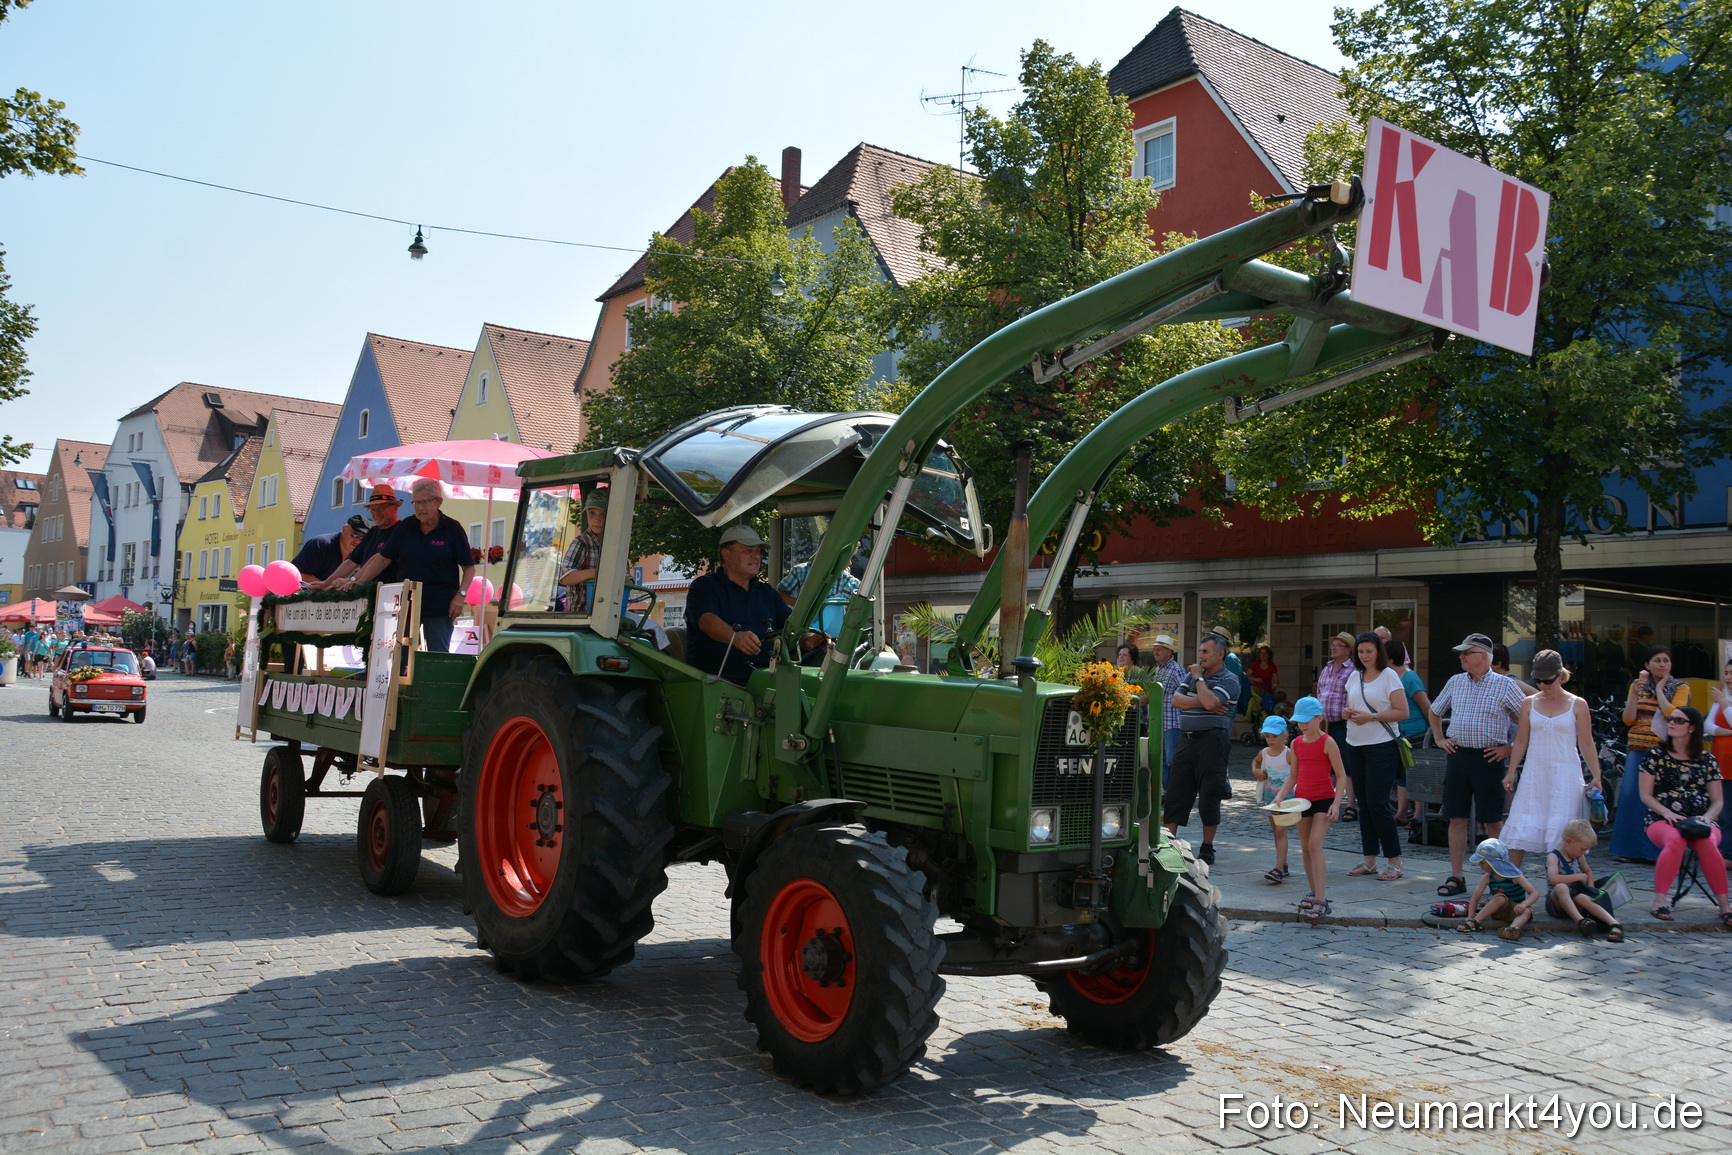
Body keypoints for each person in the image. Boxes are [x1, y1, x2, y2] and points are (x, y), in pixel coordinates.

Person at [1428, 632, 1527, 897]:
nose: (1461, 656)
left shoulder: (1504, 685)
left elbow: (1525, 721)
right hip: (1459, 755)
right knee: (1456, 817)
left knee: (1493, 820)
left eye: (1466, 652)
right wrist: (1439, 738)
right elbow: (1435, 709)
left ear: (1482, 656)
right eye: (1461, 652)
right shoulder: (1456, 681)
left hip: (1488, 758)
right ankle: (1456, 876)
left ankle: (1502, 878)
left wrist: (1510, 747)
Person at [345, 478, 475, 652]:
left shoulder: (452, 529)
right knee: (399, 655)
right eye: (416, 502)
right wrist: (358, 580)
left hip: (440, 604)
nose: (419, 508)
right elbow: (383, 559)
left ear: (438, 502)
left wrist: (461, 596)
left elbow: (469, 567)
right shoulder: (406, 526)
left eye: (425, 502)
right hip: (406, 603)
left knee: (437, 653)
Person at [1501, 650, 1601, 867]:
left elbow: (1586, 742)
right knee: (1520, 825)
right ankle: (1508, 888)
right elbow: (1521, 741)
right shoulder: (1529, 702)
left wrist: (1596, 775)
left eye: (1547, 681)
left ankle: (1566, 887)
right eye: (1538, 681)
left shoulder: (1578, 704)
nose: (1542, 685)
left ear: (1560, 676)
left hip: (1565, 774)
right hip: (1535, 773)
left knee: (1566, 831)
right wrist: (1511, 771)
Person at [1639, 705, 1732, 925]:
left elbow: (1718, 800)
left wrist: (1708, 818)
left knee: (1708, 843)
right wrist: (1666, 812)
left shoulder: (1706, 759)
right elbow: (1645, 795)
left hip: (1700, 820)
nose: (1672, 723)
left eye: (1679, 721)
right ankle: (1659, 901)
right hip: (1662, 818)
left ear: (1692, 728)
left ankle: (1725, 906)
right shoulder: (1656, 754)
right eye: (1671, 719)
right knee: (1675, 839)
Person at [1160, 633, 1240, 866]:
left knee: (1209, 794)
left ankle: (1207, 847)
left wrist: (1199, 683)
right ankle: (1169, 844)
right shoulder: (1193, 675)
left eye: (1206, 652)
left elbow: (1213, 703)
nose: (1201, 656)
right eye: (1200, 651)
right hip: (1185, 741)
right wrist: (1202, 700)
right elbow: (1176, 700)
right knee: (1175, 793)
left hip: (1212, 742)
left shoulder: (1229, 679)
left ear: (1220, 654)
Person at [1609, 645, 1689, 861]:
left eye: (1666, 660)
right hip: (1637, 747)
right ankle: (1627, 850)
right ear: (1647, 665)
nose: (1662, 664)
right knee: (1631, 797)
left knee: (1660, 799)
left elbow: (1674, 714)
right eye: (1657, 660)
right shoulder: (1638, 685)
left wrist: (1661, 691)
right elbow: (1628, 719)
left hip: (1664, 750)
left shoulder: (1680, 687)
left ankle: (1656, 852)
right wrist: (1634, 694)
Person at [1269, 696, 1345, 921]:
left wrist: (1337, 804)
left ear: (1319, 718)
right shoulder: (1296, 744)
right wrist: (1280, 798)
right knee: (1304, 847)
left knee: (1315, 845)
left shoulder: (1328, 742)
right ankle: (1313, 892)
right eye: (1299, 721)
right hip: (1303, 801)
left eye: (1307, 720)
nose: (1302, 725)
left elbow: (1340, 776)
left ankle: (1321, 899)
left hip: (1324, 800)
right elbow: (1293, 776)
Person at [1340, 632, 1409, 881]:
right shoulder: (1354, 675)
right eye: (1360, 652)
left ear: (1378, 651)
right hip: (1355, 744)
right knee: (1364, 804)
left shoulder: (1389, 676)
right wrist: (1348, 712)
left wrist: (1372, 716)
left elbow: (1403, 712)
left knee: (1378, 803)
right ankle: (1369, 859)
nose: (1365, 656)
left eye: (1369, 651)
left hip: (1382, 746)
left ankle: (1395, 861)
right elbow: (1352, 705)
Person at [315, 484, 404, 590]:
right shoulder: (372, 532)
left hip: (392, 594)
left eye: (381, 508)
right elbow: (352, 562)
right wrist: (326, 583)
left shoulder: (401, 530)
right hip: (367, 594)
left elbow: (380, 558)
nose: (376, 513)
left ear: (395, 508)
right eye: (372, 509)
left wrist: (353, 580)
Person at [1546, 819, 1622, 940]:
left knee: (1583, 898)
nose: (1584, 853)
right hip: (1556, 902)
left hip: (1575, 899)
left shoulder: (1579, 856)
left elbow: (1588, 871)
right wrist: (1577, 876)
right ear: (1568, 842)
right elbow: (1554, 879)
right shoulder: (1554, 857)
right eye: (1582, 849)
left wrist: (1591, 888)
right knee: (1561, 887)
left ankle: (1614, 924)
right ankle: (1581, 922)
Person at [1457, 837, 1538, 941]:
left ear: (1493, 863)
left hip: (1516, 910)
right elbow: (1476, 897)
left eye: (1482, 863)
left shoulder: (1515, 876)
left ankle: (1512, 929)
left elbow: (1534, 893)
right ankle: (1475, 922)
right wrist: (1471, 916)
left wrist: (1523, 904)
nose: (1480, 865)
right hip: (1498, 910)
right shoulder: (1487, 877)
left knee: (1527, 911)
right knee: (1500, 898)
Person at [1388, 640, 1433, 825]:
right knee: (1403, 775)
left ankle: (1418, 816)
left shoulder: (1410, 677)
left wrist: (1433, 733)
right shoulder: (1390, 677)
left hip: (1415, 735)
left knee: (1417, 775)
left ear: (1389, 658)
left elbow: (1426, 706)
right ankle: (1401, 813)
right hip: (1399, 735)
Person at [1315, 632, 1357, 817]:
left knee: (1347, 766)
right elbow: (1319, 692)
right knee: (1326, 765)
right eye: (1332, 644)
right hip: (1324, 725)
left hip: (1343, 724)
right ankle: (1328, 803)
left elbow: (1354, 698)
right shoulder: (1327, 668)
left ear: (1348, 649)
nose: (1333, 647)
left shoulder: (1353, 670)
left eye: (1338, 645)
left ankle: (1351, 806)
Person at [1251, 713, 1293, 883]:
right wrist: (1255, 771)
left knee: (1281, 831)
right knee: (1277, 832)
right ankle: (1283, 864)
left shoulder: (1289, 754)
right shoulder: (1265, 752)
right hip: (1270, 799)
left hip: (1286, 800)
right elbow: (1255, 761)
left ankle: (1278, 868)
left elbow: (1297, 772)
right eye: (1267, 736)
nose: (1270, 739)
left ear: (1284, 735)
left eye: (1275, 736)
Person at [557, 488, 609, 612]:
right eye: (592, 513)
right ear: (586, 514)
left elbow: (629, 580)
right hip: (582, 613)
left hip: (610, 611)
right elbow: (565, 577)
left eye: (603, 514)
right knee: (654, 628)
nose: (597, 519)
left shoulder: (615, 545)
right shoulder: (582, 542)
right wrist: (596, 573)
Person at [1144, 634, 1185, 786]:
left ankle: (1174, 791)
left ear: (1169, 652)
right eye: (1155, 649)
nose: (1156, 652)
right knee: (1159, 759)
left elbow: (1186, 692)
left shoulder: (1176, 669)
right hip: (1159, 722)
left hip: (1172, 723)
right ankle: (1165, 791)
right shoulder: (1158, 669)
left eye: (1159, 649)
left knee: (1171, 759)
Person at [292, 514, 369, 583]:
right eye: (355, 535)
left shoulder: (362, 554)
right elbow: (301, 574)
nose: (358, 541)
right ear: (344, 529)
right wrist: (327, 590)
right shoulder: (321, 544)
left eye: (363, 538)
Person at [1248, 645, 1278, 717]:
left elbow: (1276, 680)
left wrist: (1275, 684)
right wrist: (1255, 679)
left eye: (1265, 653)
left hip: (1267, 691)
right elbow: (1247, 675)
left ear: (1269, 655)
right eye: (1261, 653)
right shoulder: (1255, 664)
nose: (1263, 655)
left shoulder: (1272, 666)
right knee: (1255, 708)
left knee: (1265, 711)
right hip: (1256, 691)